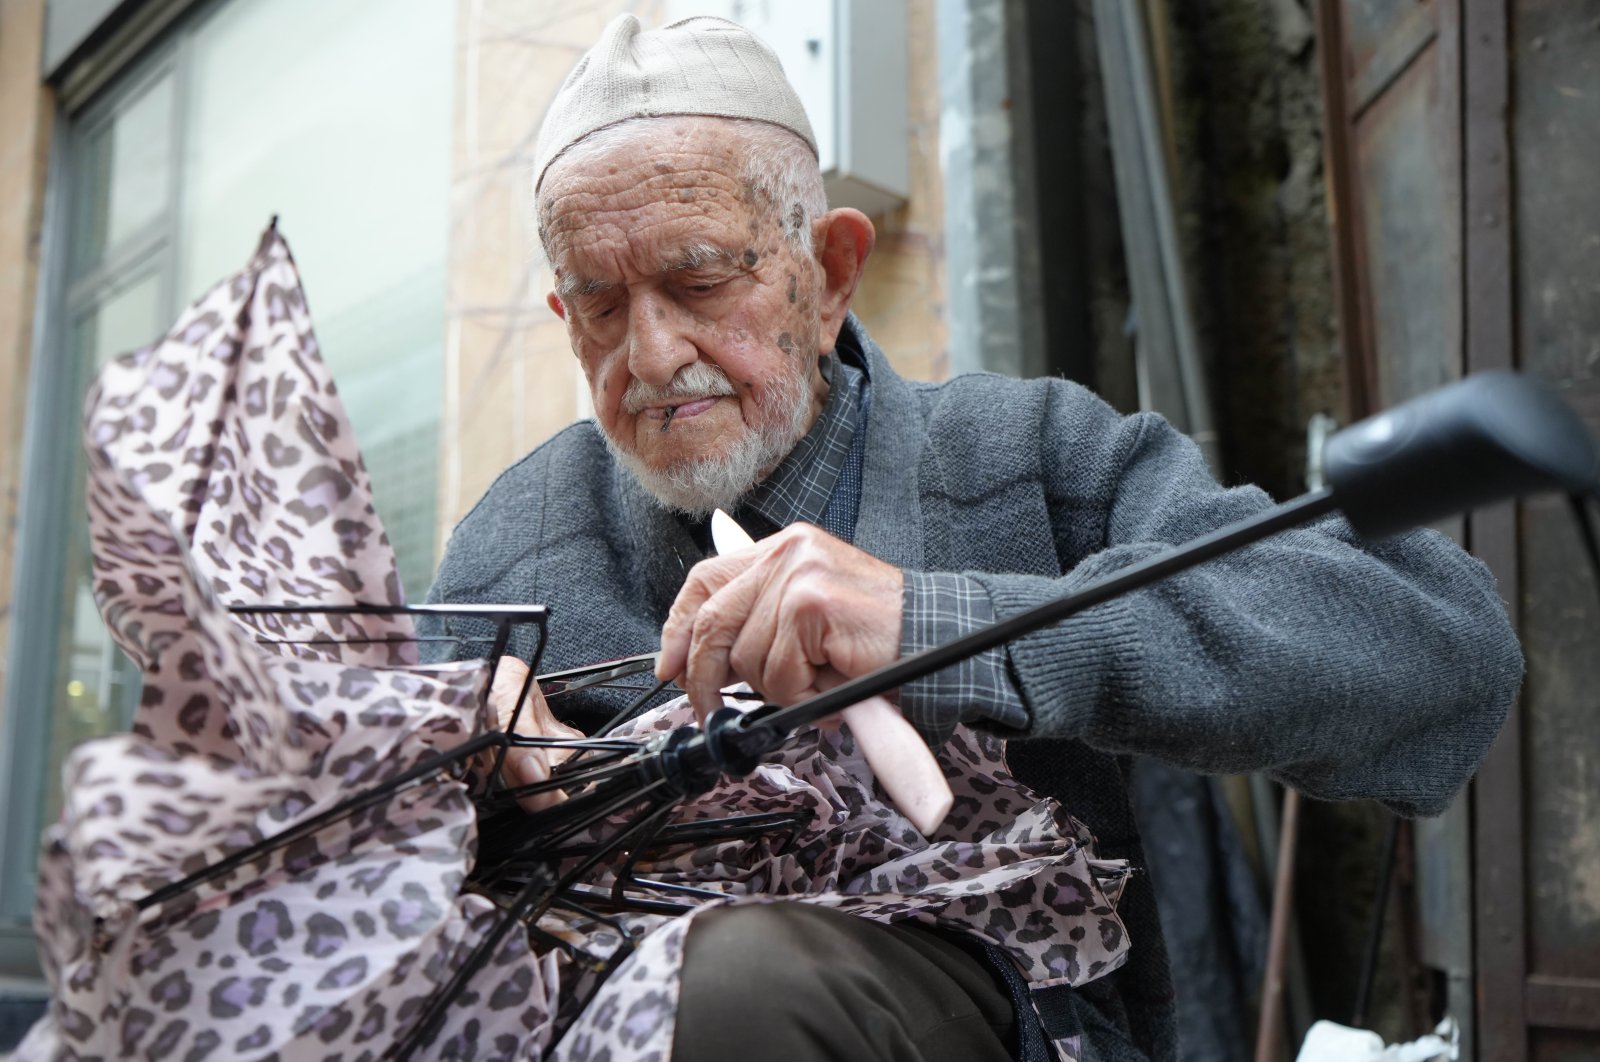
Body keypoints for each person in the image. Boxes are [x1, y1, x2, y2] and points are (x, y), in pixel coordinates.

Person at [425, 14, 1522, 1061]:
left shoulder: (1028, 453)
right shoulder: (516, 541)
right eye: (602, 307)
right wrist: (429, 748)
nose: (654, 354)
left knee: (736, 984)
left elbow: (1445, 651)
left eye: (701, 280)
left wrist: (937, 624)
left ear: (831, 274)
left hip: (1003, 1022)